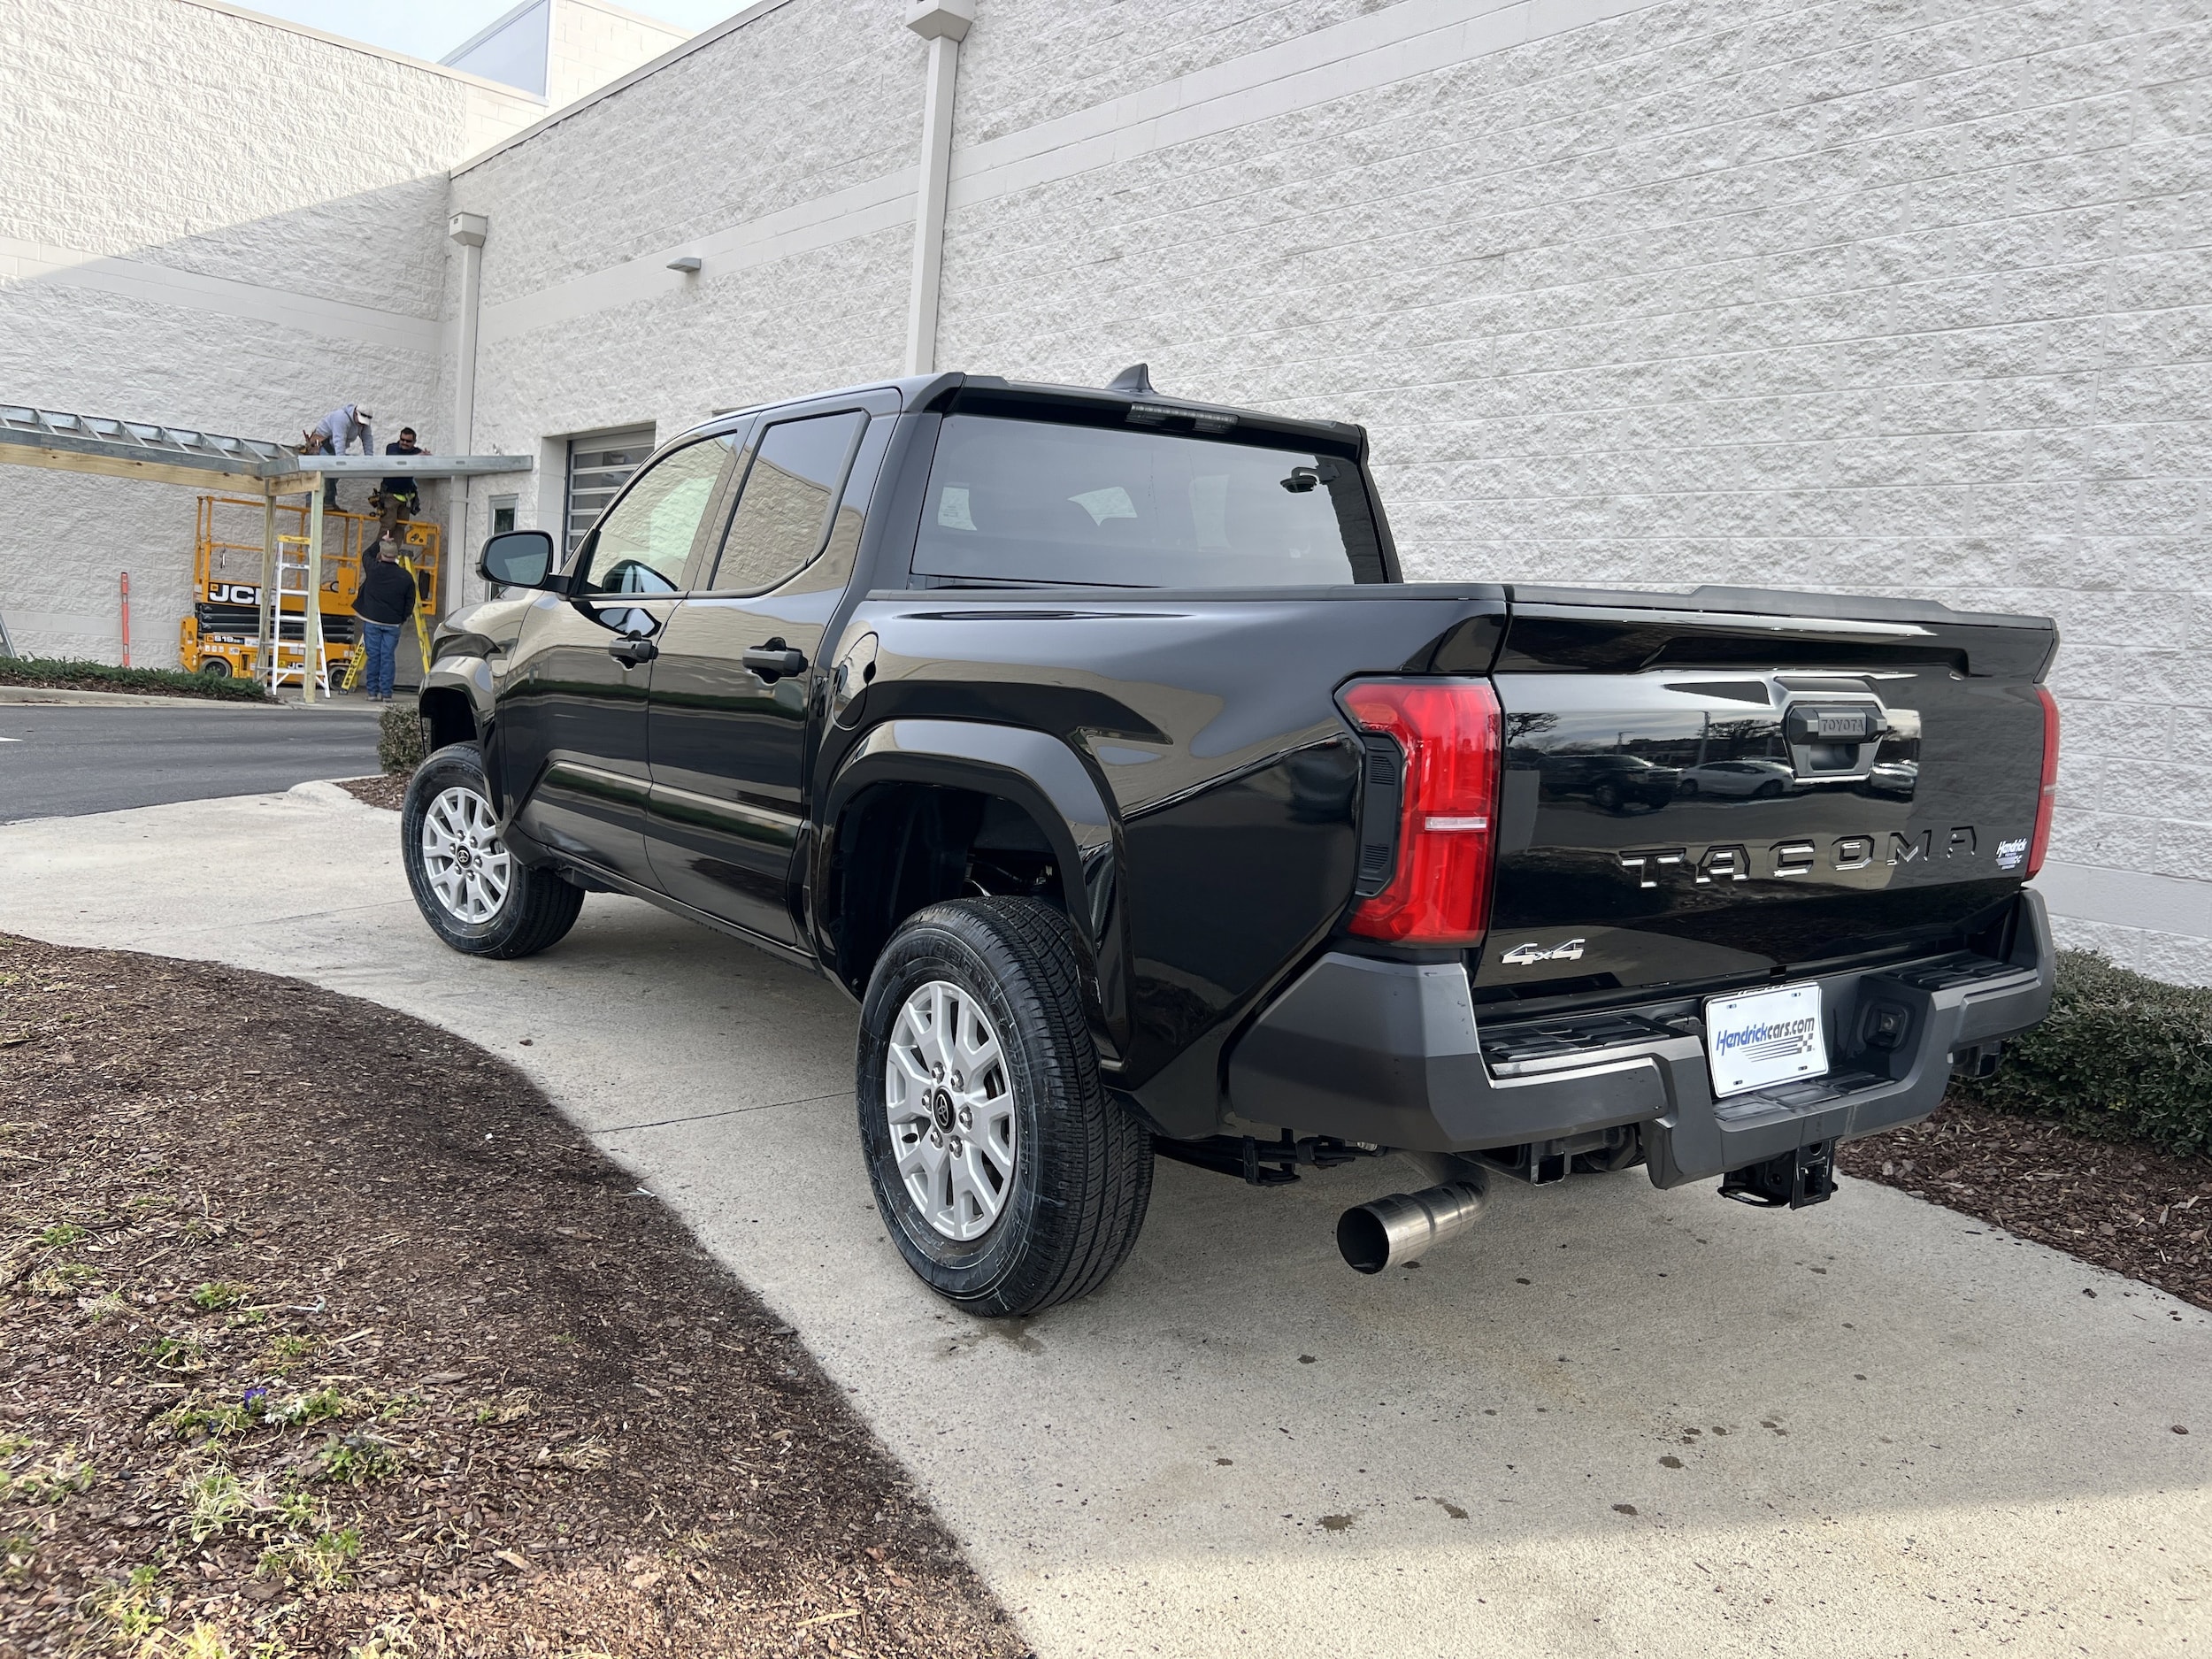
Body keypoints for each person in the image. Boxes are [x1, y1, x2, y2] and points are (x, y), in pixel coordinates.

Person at [352, 541, 414, 702]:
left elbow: (366, 554)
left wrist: (381, 539)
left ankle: (372, 693)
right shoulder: (406, 577)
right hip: (392, 623)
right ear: (396, 556)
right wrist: (402, 618)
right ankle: (386, 693)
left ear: (381, 554)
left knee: (374, 656)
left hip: (372, 619)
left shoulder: (374, 569)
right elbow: (410, 602)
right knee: (387, 657)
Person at [305, 403, 374, 510]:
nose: (361, 425)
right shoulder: (341, 417)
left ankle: (329, 501)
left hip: (333, 447)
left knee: (334, 474)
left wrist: (370, 460)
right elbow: (339, 440)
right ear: (355, 413)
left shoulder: (363, 425)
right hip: (322, 444)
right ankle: (312, 501)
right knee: (325, 471)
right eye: (360, 422)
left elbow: (367, 439)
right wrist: (340, 462)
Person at [374, 426, 426, 553]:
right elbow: (397, 459)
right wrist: (418, 456)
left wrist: (424, 456)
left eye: (408, 441)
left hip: (407, 497)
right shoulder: (392, 448)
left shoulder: (416, 452)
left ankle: (393, 555)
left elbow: (426, 460)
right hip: (390, 495)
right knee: (388, 525)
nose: (404, 443)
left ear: (414, 442)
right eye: (402, 439)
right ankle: (378, 554)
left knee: (401, 527)